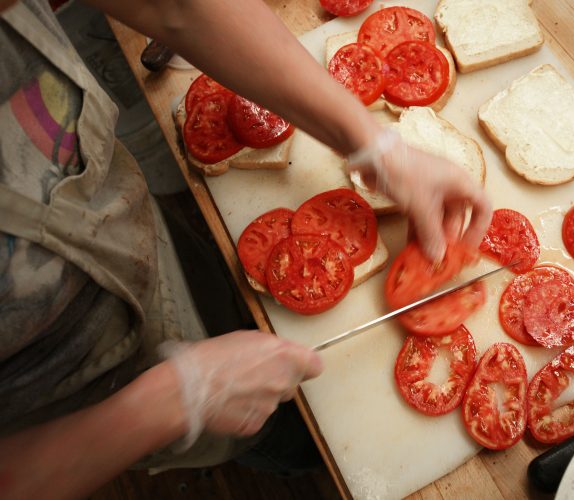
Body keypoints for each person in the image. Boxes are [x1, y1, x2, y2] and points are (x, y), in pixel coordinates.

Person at [0, 0, 492, 498]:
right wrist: (164, 407)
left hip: (127, 232)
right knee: (287, 435)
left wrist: (374, 144)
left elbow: (180, 7)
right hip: (67, 400)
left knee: (215, 296)